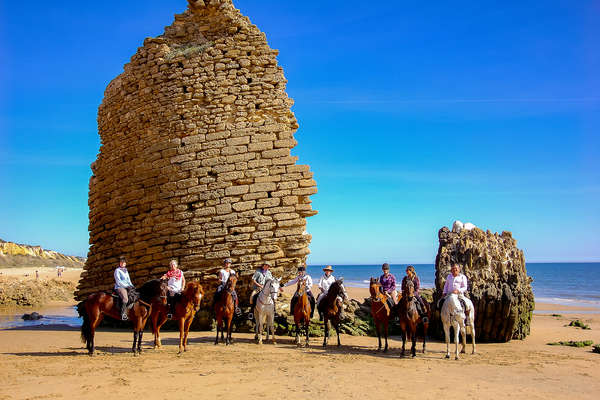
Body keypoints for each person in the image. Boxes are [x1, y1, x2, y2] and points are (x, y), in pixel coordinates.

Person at [114, 256, 134, 320]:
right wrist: (126, 286)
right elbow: (118, 281)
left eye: (124, 263)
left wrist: (132, 286)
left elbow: (129, 280)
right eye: (121, 263)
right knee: (125, 298)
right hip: (120, 287)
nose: (123, 264)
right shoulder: (117, 270)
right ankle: (123, 314)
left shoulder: (126, 270)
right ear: (119, 263)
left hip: (127, 286)